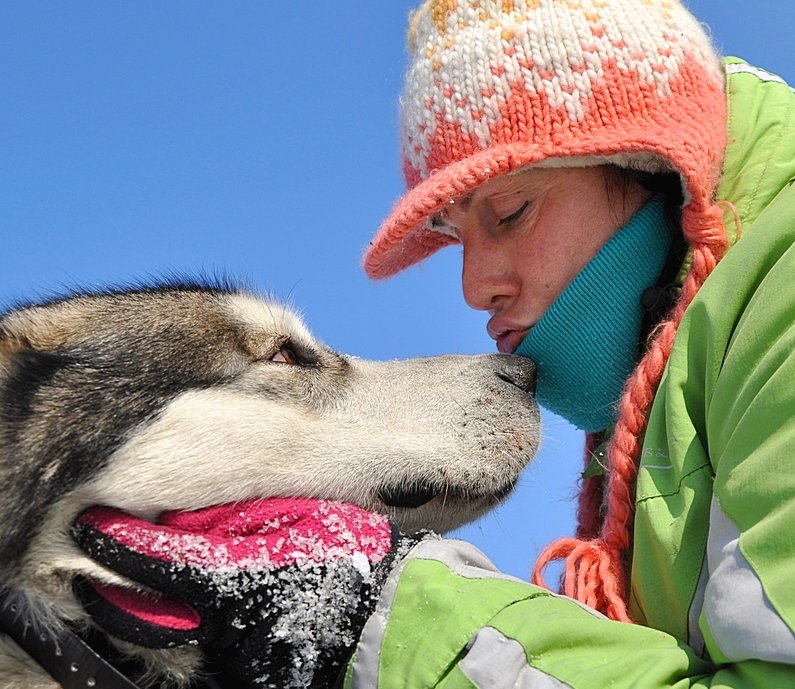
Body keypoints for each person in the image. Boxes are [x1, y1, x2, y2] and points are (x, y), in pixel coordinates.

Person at [71, 0, 795, 687]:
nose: (474, 286)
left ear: (651, 164)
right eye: (452, 236)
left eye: (509, 211)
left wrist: (376, 612)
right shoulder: (655, 397)